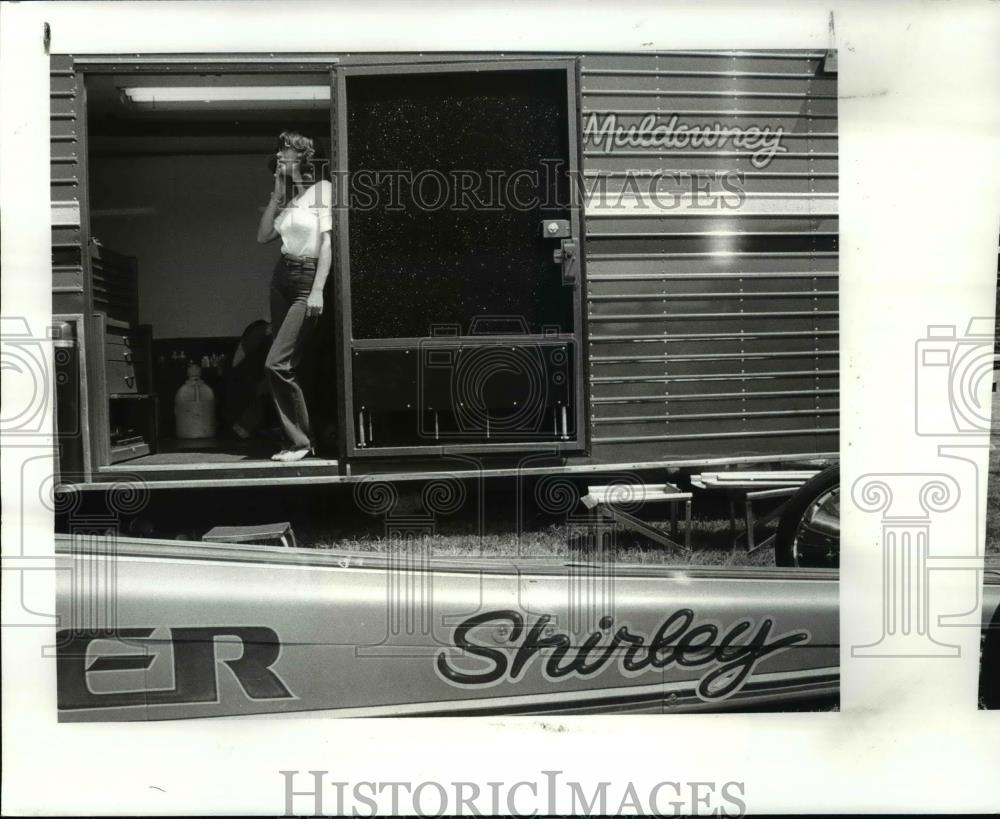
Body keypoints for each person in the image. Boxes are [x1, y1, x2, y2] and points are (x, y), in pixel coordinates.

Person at [256, 130, 333, 462]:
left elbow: (327, 243)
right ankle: (295, 441)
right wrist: (275, 194)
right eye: (279, 150)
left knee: (277, 363)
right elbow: (262, 237)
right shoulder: (289, 202)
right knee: (287, 364)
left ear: (302, 156)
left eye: (285, 150)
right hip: (282, 279)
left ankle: (300, 443)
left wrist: (317, 289)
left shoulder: (323, 191)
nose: (280, 155)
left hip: (306, 279)